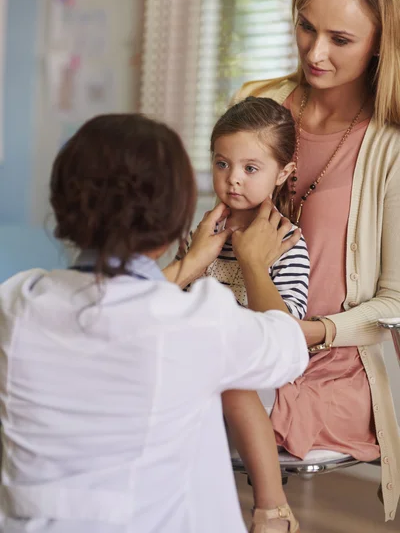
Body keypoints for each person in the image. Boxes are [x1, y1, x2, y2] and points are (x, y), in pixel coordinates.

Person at [0, 113, 308, 533]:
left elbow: (117, 302)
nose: (233, 178)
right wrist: (248, 262)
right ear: (177, 218)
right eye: (221, 164)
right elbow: (288, 347)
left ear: (60, 205)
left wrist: (189, 265)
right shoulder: (198, 322)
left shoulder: (16, 302)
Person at [232, 0, 400, 525]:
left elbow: (395, 304)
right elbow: (223, 238)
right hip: (245, 334)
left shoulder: (391, 144)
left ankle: (271, 512)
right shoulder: (259, 105)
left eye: (341, 39)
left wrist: (309, 331)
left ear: (381, 43)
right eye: (306, 26)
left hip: (331, 368)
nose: (315, 52)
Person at [179, 96, 310, 532]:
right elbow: (173, 305)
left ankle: (272, 509)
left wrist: (254, 261)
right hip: (197, 359)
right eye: (222, 164)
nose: (233, 179)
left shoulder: (289, 243)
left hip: (257, 373)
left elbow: (282, 335)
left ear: (283, 173)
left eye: (251, 168)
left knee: (231, 382)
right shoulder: (201, 233)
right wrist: (194, 258)